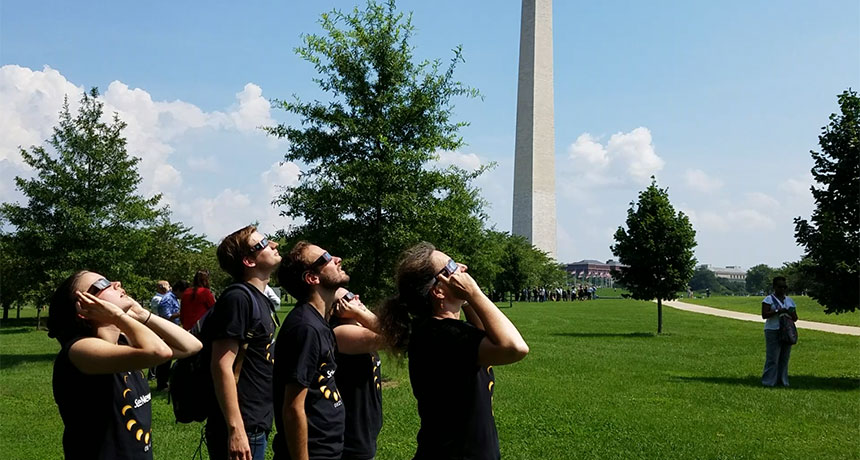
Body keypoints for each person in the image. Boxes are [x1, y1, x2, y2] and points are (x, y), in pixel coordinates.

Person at [378, 242, 529, 460]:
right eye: (451, 267)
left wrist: (467, 299)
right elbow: (514, 348)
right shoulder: (443, 337)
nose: (463, 268)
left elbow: (486, 334)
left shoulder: (440, 331)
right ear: (438, 291)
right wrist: (474, 294)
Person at [48, 270, 201, 459]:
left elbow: (191, 345)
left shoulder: (123, 342)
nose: (117, 283)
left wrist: (141, 313)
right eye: (103, 284)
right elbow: (160, 351)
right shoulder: (80, 350)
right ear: (84, 307)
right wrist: (118, 316)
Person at [202, 226, 281, 460]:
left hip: (256, 420)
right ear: (248, 261)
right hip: (242, 424)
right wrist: (236, 430)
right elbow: (221, 365)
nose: (274, 244)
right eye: (264, 243)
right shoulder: (238, 298)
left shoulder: (260, 299)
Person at [273, 242, 349, 460]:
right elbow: (293, 407)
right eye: (325, 258)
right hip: (313, 452)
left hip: (327, 449)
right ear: (312, 278)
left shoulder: (318, 322)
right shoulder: (305, 328)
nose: (337, 259)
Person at [329, 287, 384, 460]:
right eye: (350, 296)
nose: (357, 296)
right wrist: (361, 312)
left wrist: (359, 311)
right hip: (353, 436)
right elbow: (394, 336)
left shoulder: (356, 329)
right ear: (339, 307)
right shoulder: (340, 332)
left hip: (364, 432)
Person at [761, 276, 798, 387]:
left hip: (786, 330)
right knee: (773, 358)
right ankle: (768, 382)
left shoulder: (789, 301)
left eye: (784, 287)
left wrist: (790, 312)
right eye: (780, 287)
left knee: (784, 358)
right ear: (774, 287)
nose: (782, 289)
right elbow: (764, 315)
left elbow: (795, 318)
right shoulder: (768, 300)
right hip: (773, 330)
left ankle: (783, 381)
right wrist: (778, 311)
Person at [155, 280, 187, 390]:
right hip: (166, 330)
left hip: (171, 329)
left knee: (168, 357)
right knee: (165, 358)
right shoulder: (168, 298)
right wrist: (182, 313)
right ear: (178, 290)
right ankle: (161, 383)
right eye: (183, 293)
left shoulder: (173, 298)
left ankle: (164, 382)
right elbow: (166, 316)